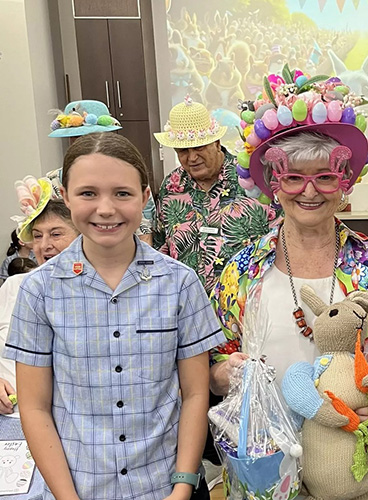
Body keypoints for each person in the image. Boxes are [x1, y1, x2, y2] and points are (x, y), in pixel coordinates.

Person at [212, 70, 368, 497]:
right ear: (272, 184)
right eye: (294, 177)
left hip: (358, 468)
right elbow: (211, 365)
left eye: (324, 176)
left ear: (344, 183)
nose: (310, 191)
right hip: (265, 470)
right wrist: (222, 374)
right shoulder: (242, 271)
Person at [4, 133, 226, 500]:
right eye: (88, 193)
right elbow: (34, 406)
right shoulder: (39, 291)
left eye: (122, 193)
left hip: (166, 485)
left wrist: (183, 486)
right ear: (65, 195)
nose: (105, 209)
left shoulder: (180, 284)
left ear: (144, 196)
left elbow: (195, 393)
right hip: (80, 487)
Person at [153, 96, 276, 295]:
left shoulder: (251, 178)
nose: (192, 158)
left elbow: (278, 240)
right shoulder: (171, 186)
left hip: (245, 305)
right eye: (183, 150)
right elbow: (161, 246)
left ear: (217, 143)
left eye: (199, 147)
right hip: (188, 309)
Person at [0, 188, 79, 416]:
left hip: (69, 424)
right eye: (37, 235)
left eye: (56, 234)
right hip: (11, 419)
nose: (44, 245)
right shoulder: (14, 286)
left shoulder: (96, 294)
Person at [47, 99, 156, 245]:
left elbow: (144, 233)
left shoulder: (130, 179)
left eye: (121, 193)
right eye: (87, 193)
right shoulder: (52, 182)